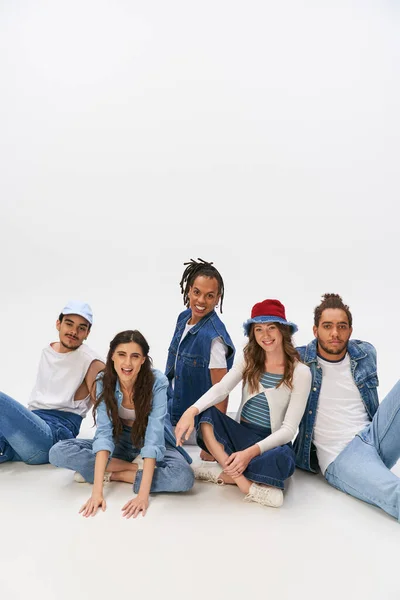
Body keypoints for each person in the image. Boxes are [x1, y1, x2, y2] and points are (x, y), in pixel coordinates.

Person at [175, 299, 312, 508]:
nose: (265, 336)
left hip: (270, 442)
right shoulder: (249, 360)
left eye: (271, 328)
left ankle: (221, 471)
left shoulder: (301, 372)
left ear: (283, 331)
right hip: (241, 434)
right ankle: (246, 485)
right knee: (207, 416)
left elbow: (288, 430)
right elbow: (222, 389)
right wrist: (191, 411)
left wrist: (248, 454)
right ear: (252, 334)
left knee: (283, 460)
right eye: (258, 329)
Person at [50, 330, 194, 518]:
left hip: (151, 440)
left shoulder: (157, 382)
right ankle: (133, 469)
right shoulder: (103, 381)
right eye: (121, 355)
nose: (127, 363)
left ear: (143, 360)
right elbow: (104, 435)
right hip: (120, 441)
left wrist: (143, 496)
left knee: (184, 478)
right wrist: (97, 493)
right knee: (57, 452)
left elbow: (153, 437)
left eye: (135, 356)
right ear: (112, 357)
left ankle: (113, 474)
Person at [294, 293, 400, 521]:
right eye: (327, 326)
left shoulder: (365, 354)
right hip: (342, 455)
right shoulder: (299, 360)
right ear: (315, 331)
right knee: (395, 493)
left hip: (374, 435)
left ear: (350, 331)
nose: (335, 333)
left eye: (342, 326)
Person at [0, 300, 104, 465]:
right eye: (69, 324)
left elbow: (106, 406)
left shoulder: (92, 362)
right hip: (28, 433)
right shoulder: (48, 350)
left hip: (52, 435)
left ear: (87, 333)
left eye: (81, 328)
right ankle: (7, 450)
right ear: (58, 324)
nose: (74, 331)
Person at [165, 258, 235, 460]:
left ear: (217, 298)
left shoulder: (214, 340)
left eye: (209, 296)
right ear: (188, 290)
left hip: (192, 425)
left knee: (138, 435)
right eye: (197, 292)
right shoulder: (182, 318)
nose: (201, 301)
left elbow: (221, 391)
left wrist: (212, 442)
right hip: (172, 410)